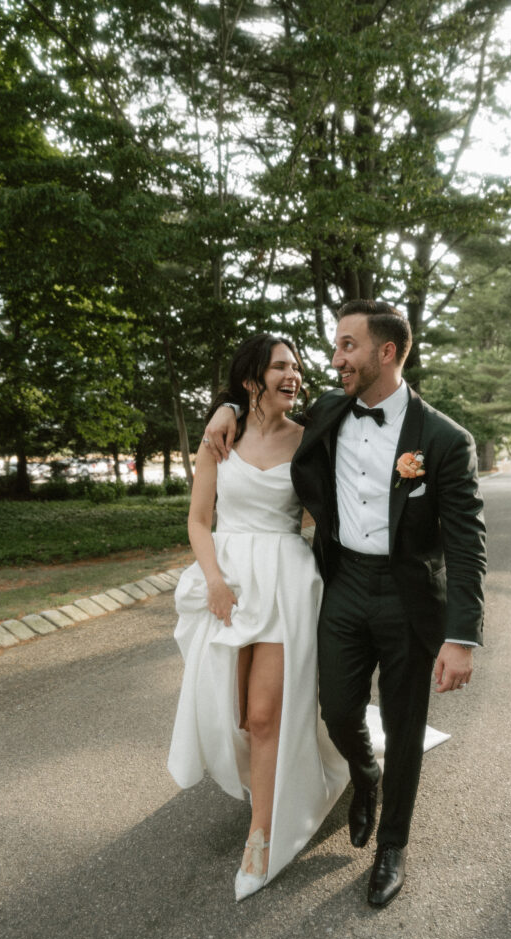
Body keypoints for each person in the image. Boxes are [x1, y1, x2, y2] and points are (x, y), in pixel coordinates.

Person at [204, 300, 486, 908]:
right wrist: (227, 407)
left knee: (406, 725)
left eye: (347, 347)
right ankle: (364, 770)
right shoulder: (330, 412)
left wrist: (462, 637)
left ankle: (392, 847)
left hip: (410, 599)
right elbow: (265, 410)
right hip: (343, 585)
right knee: (336, 708)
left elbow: (468, 548)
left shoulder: (443, 440)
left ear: (386, 352)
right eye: (334, 348)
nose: (335, 361)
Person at [167, 333, 349, 902]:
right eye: (279, 367)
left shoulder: (312, 437)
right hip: (228, 580)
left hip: (286, 582)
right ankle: (261, 785)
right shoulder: (219, 438)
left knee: (268, 714)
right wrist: (215, 582)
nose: (293, 375)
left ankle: (263, 834)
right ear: (251, 379)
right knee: (234, 714)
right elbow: (199, 521)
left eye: (296, 366)